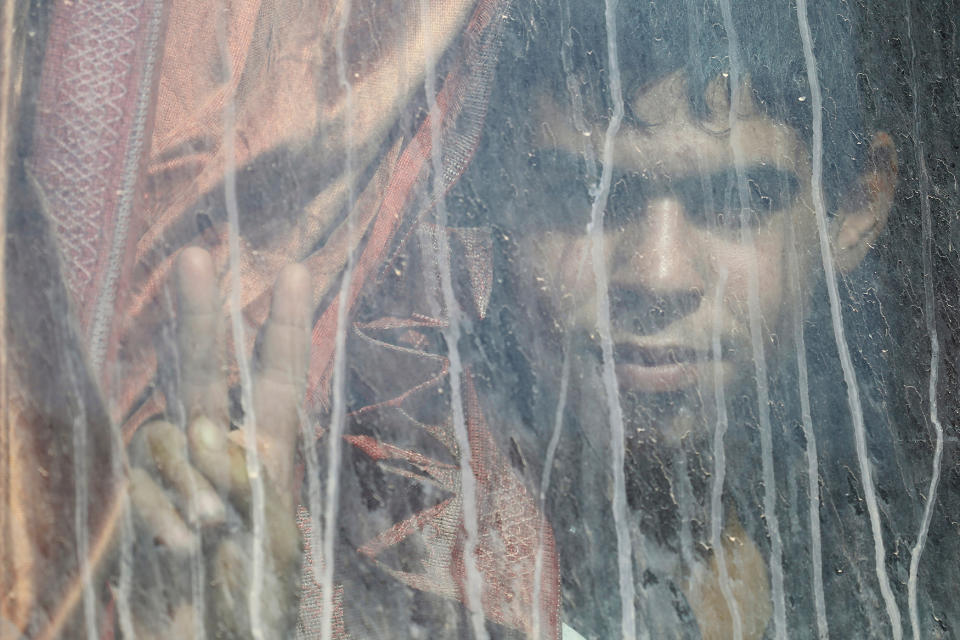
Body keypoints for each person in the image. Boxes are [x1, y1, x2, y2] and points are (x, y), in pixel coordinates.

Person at [4, 0, 956, 639]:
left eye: (736, 201)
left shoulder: (890, 545)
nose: (657, 275)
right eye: (583, 194)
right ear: (490, 192)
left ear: (859, 208)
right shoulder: (413, 539)